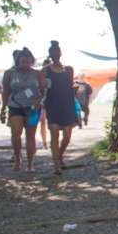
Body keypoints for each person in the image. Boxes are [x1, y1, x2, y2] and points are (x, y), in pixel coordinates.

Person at [1, 47, 45, 172]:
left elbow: (44, 90)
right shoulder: (10, 73)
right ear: (17, 61)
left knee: (30, 135)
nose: (25, 64)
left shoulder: (37, 73)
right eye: (22, 61)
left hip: (33, 108)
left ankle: (31, 163)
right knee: (16, 134)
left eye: (27, 62)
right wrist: (4, 107)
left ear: (32, 61)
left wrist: (39, 100)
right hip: (15, 107)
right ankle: (17, 159)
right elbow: (5, 91)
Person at [43, 41, 77, 175]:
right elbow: (41, 87)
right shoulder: (45, 70)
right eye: (53, 52)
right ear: (50, 54)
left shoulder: (68, 69)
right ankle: (56, 165)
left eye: (57, 51)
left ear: (60, 53)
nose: (55, 54)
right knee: (54, 133)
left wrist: (75, 88)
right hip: (53, 104)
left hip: (67, 104)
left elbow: (71, 85)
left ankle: (60, 155)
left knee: (67, 135)